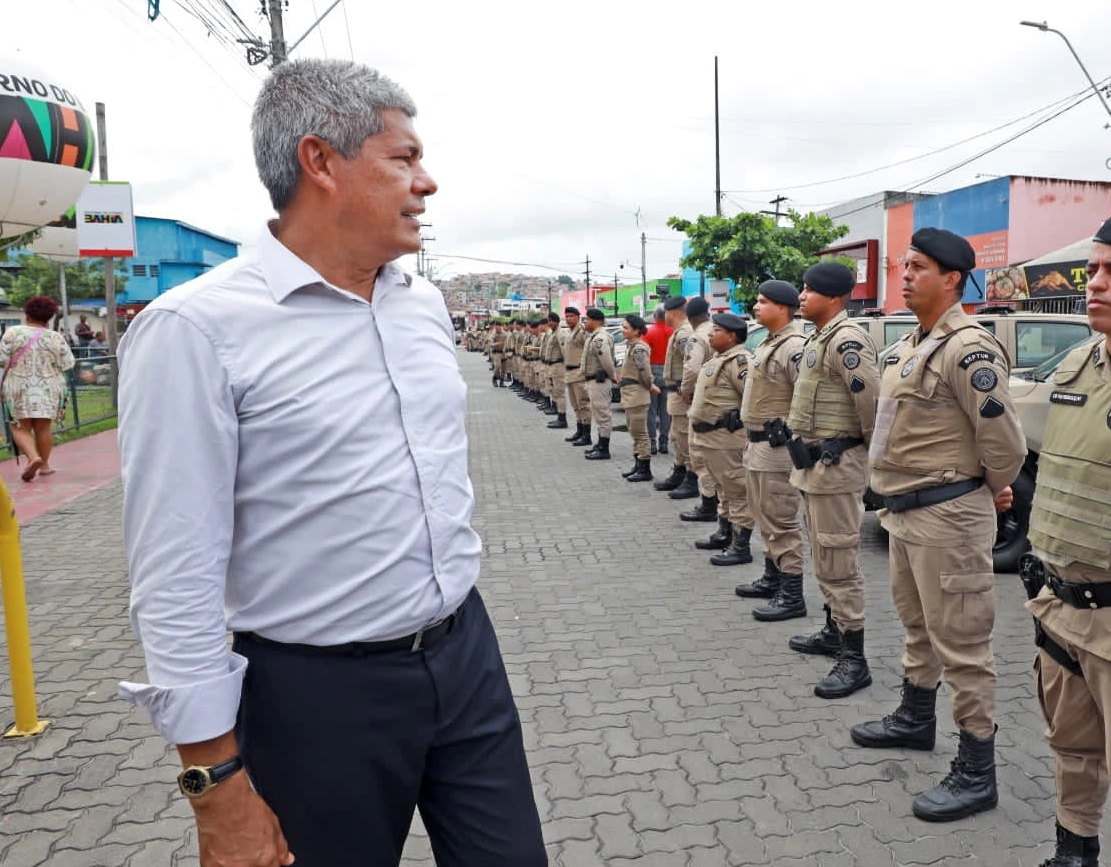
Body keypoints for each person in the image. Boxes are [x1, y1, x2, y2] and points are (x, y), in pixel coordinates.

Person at [116, 58, 546, 867]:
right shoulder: (196, 331)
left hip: (464, 655)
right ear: (320, 162)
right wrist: (216, 783)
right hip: (316, 695)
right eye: (404, 158)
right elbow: (174, 571)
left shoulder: (420, 304)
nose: (428, 183)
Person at [852, 227, 1024, 823]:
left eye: (917, 266)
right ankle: (915, 718)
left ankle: (978, 769)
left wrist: (982, 485)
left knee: (964, 644)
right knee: (917, 626)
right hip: (904, 513)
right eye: (903, 264)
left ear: (951, 278)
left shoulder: (967, 348)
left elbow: (1004, 445)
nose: (904, 274)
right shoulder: (909, 344)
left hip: (948, 516)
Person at [1023, 216, 1111, 867]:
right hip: (1058, 602)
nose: (1095, 285)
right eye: (1095, 271)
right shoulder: (1081, 358)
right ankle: (1072, 848)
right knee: (1071, 745)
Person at [775, 262, 879, 700]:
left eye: (807, 290)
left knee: (839, 561)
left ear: (833, 298)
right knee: (824, 554)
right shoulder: (821, 338)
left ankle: (854, 659)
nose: (801, 297)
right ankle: (834, 630)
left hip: (838, 469)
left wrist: (876, 466)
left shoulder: (848, 340)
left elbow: (873, 406)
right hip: (815, 468)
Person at [735, 280, 806, 600]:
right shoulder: (768, 343)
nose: (755, 306)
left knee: (781, 520)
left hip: (777, 449)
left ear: (782, 307)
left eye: (762, 301)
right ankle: (772, 578)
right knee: (765, 517)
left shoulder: (794, 347)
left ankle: (791, 593)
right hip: (758, 447)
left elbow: (805, 400)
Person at [686, 312, 755, 566]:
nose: (711, 334)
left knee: (736, 492)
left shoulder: (740, 361)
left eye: (716, 330)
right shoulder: (717, 359)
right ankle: (724, 532)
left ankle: (741, 545)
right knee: (722, 490)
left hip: (727, 439)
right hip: (709, 439)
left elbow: (751, 398)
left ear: (732, 336)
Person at [0, 295, 75, 482]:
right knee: (43, 427)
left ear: (27, 313)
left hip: (19, 385)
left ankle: (33, 458)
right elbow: (68, 363)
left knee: (20, 426)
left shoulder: (13, 333)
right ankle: (45, 466)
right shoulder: (55, 337)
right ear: (49, 317)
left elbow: (2, 360)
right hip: (48, 387)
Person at [677, 296, 719, 520]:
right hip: (719, 400)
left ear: (690, 317)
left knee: (699, 455)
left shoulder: (697, 336)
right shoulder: (717, 331)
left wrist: (686, 390)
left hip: (701, 399)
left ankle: (708, 505)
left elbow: (692, 369)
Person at [654, 296, 694, 492]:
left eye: (667, 313)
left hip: (682, 394)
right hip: (675, 393)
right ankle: (679, 473)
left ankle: (691, 480)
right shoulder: (679, 332)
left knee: (684, 437)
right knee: (676, 436)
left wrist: (686, 390)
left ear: (673, 312)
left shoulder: (685, 333)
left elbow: (691, 365)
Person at [617, 313, 658, 482]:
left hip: (637, 395)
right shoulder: (631, 346)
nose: (622, 330)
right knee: (634, 432)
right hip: (630, 394)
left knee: (641, 433)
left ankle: (644, 469)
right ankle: (637, 464)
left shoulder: (639, 348)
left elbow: (645, 372)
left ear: (636, 331)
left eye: (626, 327)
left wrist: (650, 386)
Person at [581, 307, 616, 460]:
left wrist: (613, 376)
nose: (584, 322)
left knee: (602, 414)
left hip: (599, 381)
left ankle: (604, 448)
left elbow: (607, 361)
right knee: (598, 413)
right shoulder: (594, 336)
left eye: (586, 319)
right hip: (593, 380)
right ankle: (600, 443)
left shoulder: (599, 338)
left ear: (595, 321)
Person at [644, 304, 673, 455]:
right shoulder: (673, 332)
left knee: (651, 411)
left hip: (653, 373)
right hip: (669, 373)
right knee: (666, 411)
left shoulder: (648, 332)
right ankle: (664, 442)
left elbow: (643, 357)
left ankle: (652, 443)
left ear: (654, 316)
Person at [563, 306, 592, 445]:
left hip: (579, 373)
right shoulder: (570, 332)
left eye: (571, 316)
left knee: (583, 404)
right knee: (575, 405)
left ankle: (587, 435)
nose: (568, 318)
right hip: (569, 373)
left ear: (578, 317)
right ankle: (580, 430)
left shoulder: (582, 332)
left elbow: (589, 352)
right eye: (566, 316)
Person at [544, 310, 569, 429]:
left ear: (556, 322)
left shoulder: (560, 334)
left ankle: (562, 419)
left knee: (559, 393)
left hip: (558, 367)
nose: (549, 323)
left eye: (550, 321)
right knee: (555, 392)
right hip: (552, 367)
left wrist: (567, 367)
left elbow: (565, 352)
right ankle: (559, 416)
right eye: (548, 321)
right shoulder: (552, 333)